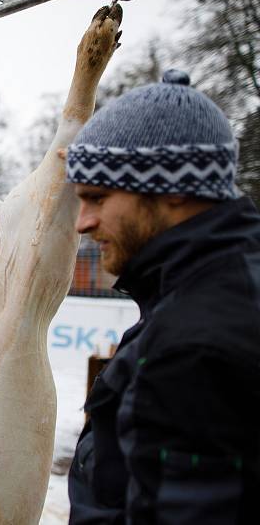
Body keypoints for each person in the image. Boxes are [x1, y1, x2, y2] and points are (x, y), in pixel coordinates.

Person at [65, 70, 260, 522]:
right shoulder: (212, 290)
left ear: (172, 187)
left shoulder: (196, 344)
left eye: (96, 197)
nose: (83, 222)